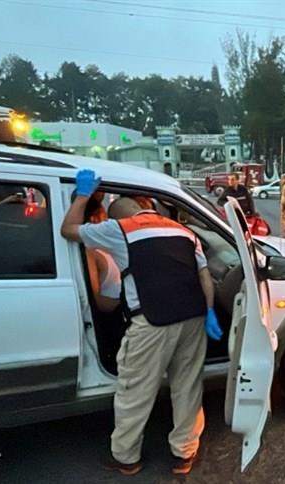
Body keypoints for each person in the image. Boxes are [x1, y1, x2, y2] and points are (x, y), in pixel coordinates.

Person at [61, 170, 223, 476]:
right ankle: (184, 453)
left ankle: (126, 457)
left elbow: (69, 230)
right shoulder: (184, 231)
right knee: (187, 387)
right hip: (193, 318)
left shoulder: (119, 229)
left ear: (118, 214)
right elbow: (204, 276)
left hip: (152, 322)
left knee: (136, 390)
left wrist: (83, 195)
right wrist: (211, 311)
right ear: (145, 203)